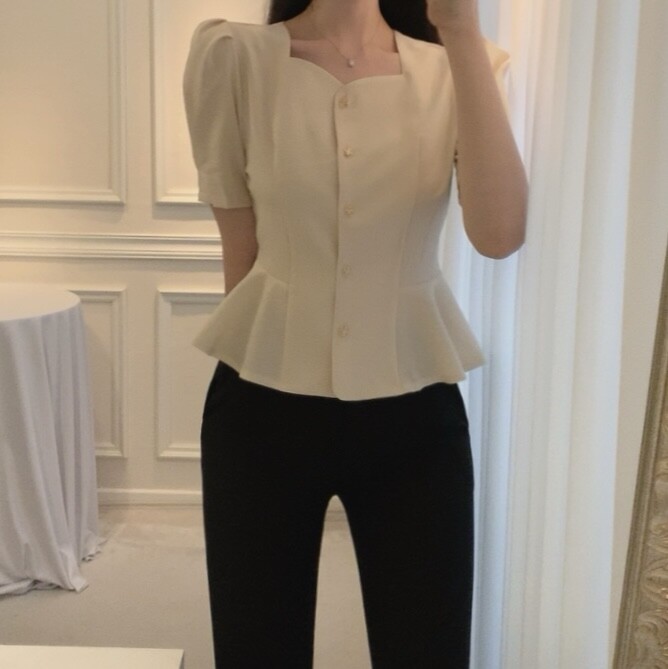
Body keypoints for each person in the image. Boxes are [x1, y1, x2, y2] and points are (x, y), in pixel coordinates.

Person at [183, 0, 527, 666]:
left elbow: (499, 233)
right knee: (257, 650)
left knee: (427, 650)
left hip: (414, 413)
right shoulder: (235, 60)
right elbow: (241, 257)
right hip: (262, 410)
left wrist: (460, 29)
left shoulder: (459, 66)